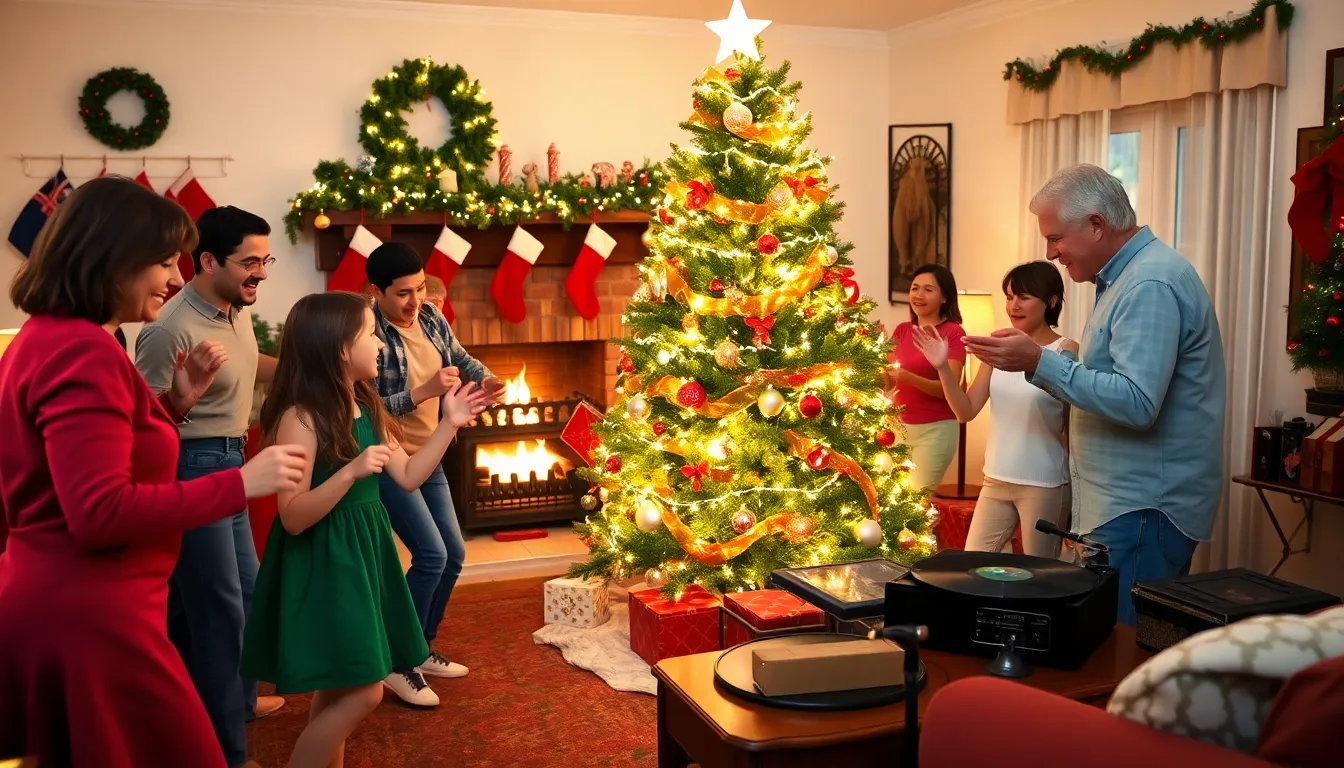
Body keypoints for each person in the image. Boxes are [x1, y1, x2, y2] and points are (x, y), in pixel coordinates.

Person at [0, 176, 306, 768]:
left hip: (75, 601)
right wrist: (240, 483)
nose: (173, 279)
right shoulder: (81, 349)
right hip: (93, 615)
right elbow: (99, 512)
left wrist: (172, 405)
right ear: (114, 260)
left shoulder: (48, 338)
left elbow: (92, 455)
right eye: (164, 263)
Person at [964, 164, 1226, 626]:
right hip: (1128, 507)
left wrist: (1039, 361)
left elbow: (1136, 401)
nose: (1050, 252)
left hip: (1142, 509)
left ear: (1096, 225)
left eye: (1056, 237)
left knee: (1122, 654)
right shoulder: (1129, 278)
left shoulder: (1149, 283)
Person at [241, 292, 491, 768]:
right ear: (339, 347)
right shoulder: (301, 418)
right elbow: (292, 516)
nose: (379, 342)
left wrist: (450, 423)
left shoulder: (366, 405)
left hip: (364, 556)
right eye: (368, 334)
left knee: (340, 688)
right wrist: (350, 473)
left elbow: (410, 476)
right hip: (325, 561)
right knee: (366, 693)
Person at [134, 205, 283, 767]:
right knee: (218, 612)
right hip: (192, 468)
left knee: (247, 594)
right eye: (250, 262)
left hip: (233, 462)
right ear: (207, 261)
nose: (261, 273)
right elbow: (144, 421)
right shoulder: (168, 328)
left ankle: (238, 704)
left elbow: (248, 365)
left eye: (265, 260)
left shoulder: (232, 308)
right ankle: (226, 753)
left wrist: (309, 359)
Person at [364, 242, 504, 706]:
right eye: (403, 293)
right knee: (430, 554)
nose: (415, 300)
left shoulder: (430, 317)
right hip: (391, 457)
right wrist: (422, 391)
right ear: (377, 292)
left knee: (454, 555)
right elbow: (364, 409)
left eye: (420, 288)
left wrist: (485, 381)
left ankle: (419, 646)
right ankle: (396, 662)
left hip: (433, 453)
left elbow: (461, 359)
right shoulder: (367, 332)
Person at [910, 262, 1076, 558]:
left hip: (1044, 483)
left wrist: (1077, 494)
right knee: (972, 566)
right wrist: (942, 369)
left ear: (1051, 301)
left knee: (1041, 577)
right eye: (1010, 297)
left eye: (1023, 297)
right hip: (996, 479)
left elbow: (1070, 429)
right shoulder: (996, 346)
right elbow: (966, 411)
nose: (1013, 306)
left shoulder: (1065, 350)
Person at [889, 263, 965, 491]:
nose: (918, 295)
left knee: (916, 503)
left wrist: (908, 376)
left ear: (944, 297)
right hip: (898, 428)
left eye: (928, 290)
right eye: (915, 288)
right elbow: (887, 384)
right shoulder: (902, 330)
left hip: (936, 430)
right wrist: (872, 353)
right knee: (892, 501)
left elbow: (948, 388)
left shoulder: (953, 333)